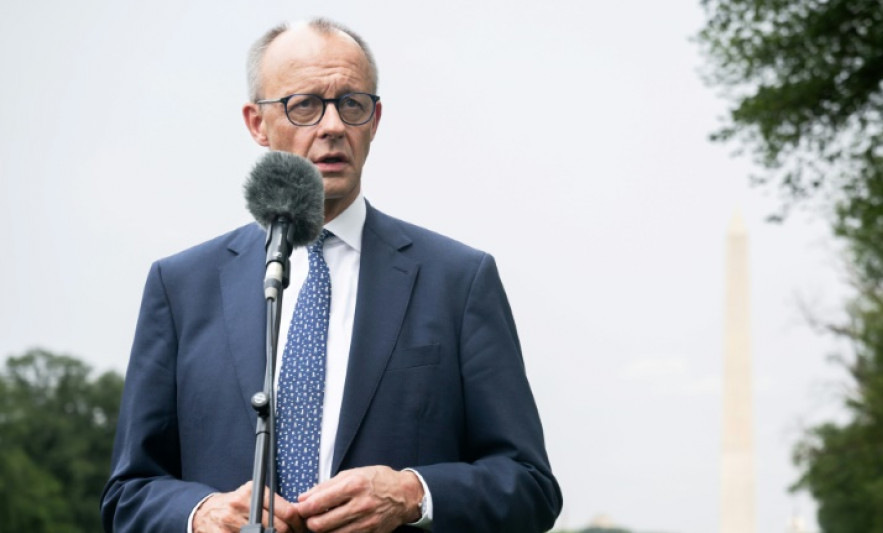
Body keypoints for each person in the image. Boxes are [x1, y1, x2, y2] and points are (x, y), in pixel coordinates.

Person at [102, 18, 561, 533]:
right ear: (257, 123)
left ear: (375, 119)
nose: (333, 126)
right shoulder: (181, 286)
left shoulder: (458, 281)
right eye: (304, 105)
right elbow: (128, 493)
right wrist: (199, 513)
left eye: (351, 104)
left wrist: (414, 493)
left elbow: (530, 486)